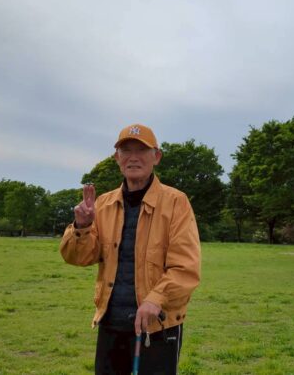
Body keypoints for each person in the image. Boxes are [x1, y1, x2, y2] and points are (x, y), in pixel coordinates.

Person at [60, 124, 201, 375]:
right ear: (117, 158)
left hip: (157, 325)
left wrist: (155, 299)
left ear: (156, 157)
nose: (133, 157)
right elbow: (78, 257)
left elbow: (186, 267)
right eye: (126, 150)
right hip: (111, 323)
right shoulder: (103, 204)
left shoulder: (176, 202)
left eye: (141, 150)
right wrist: (82, 226)